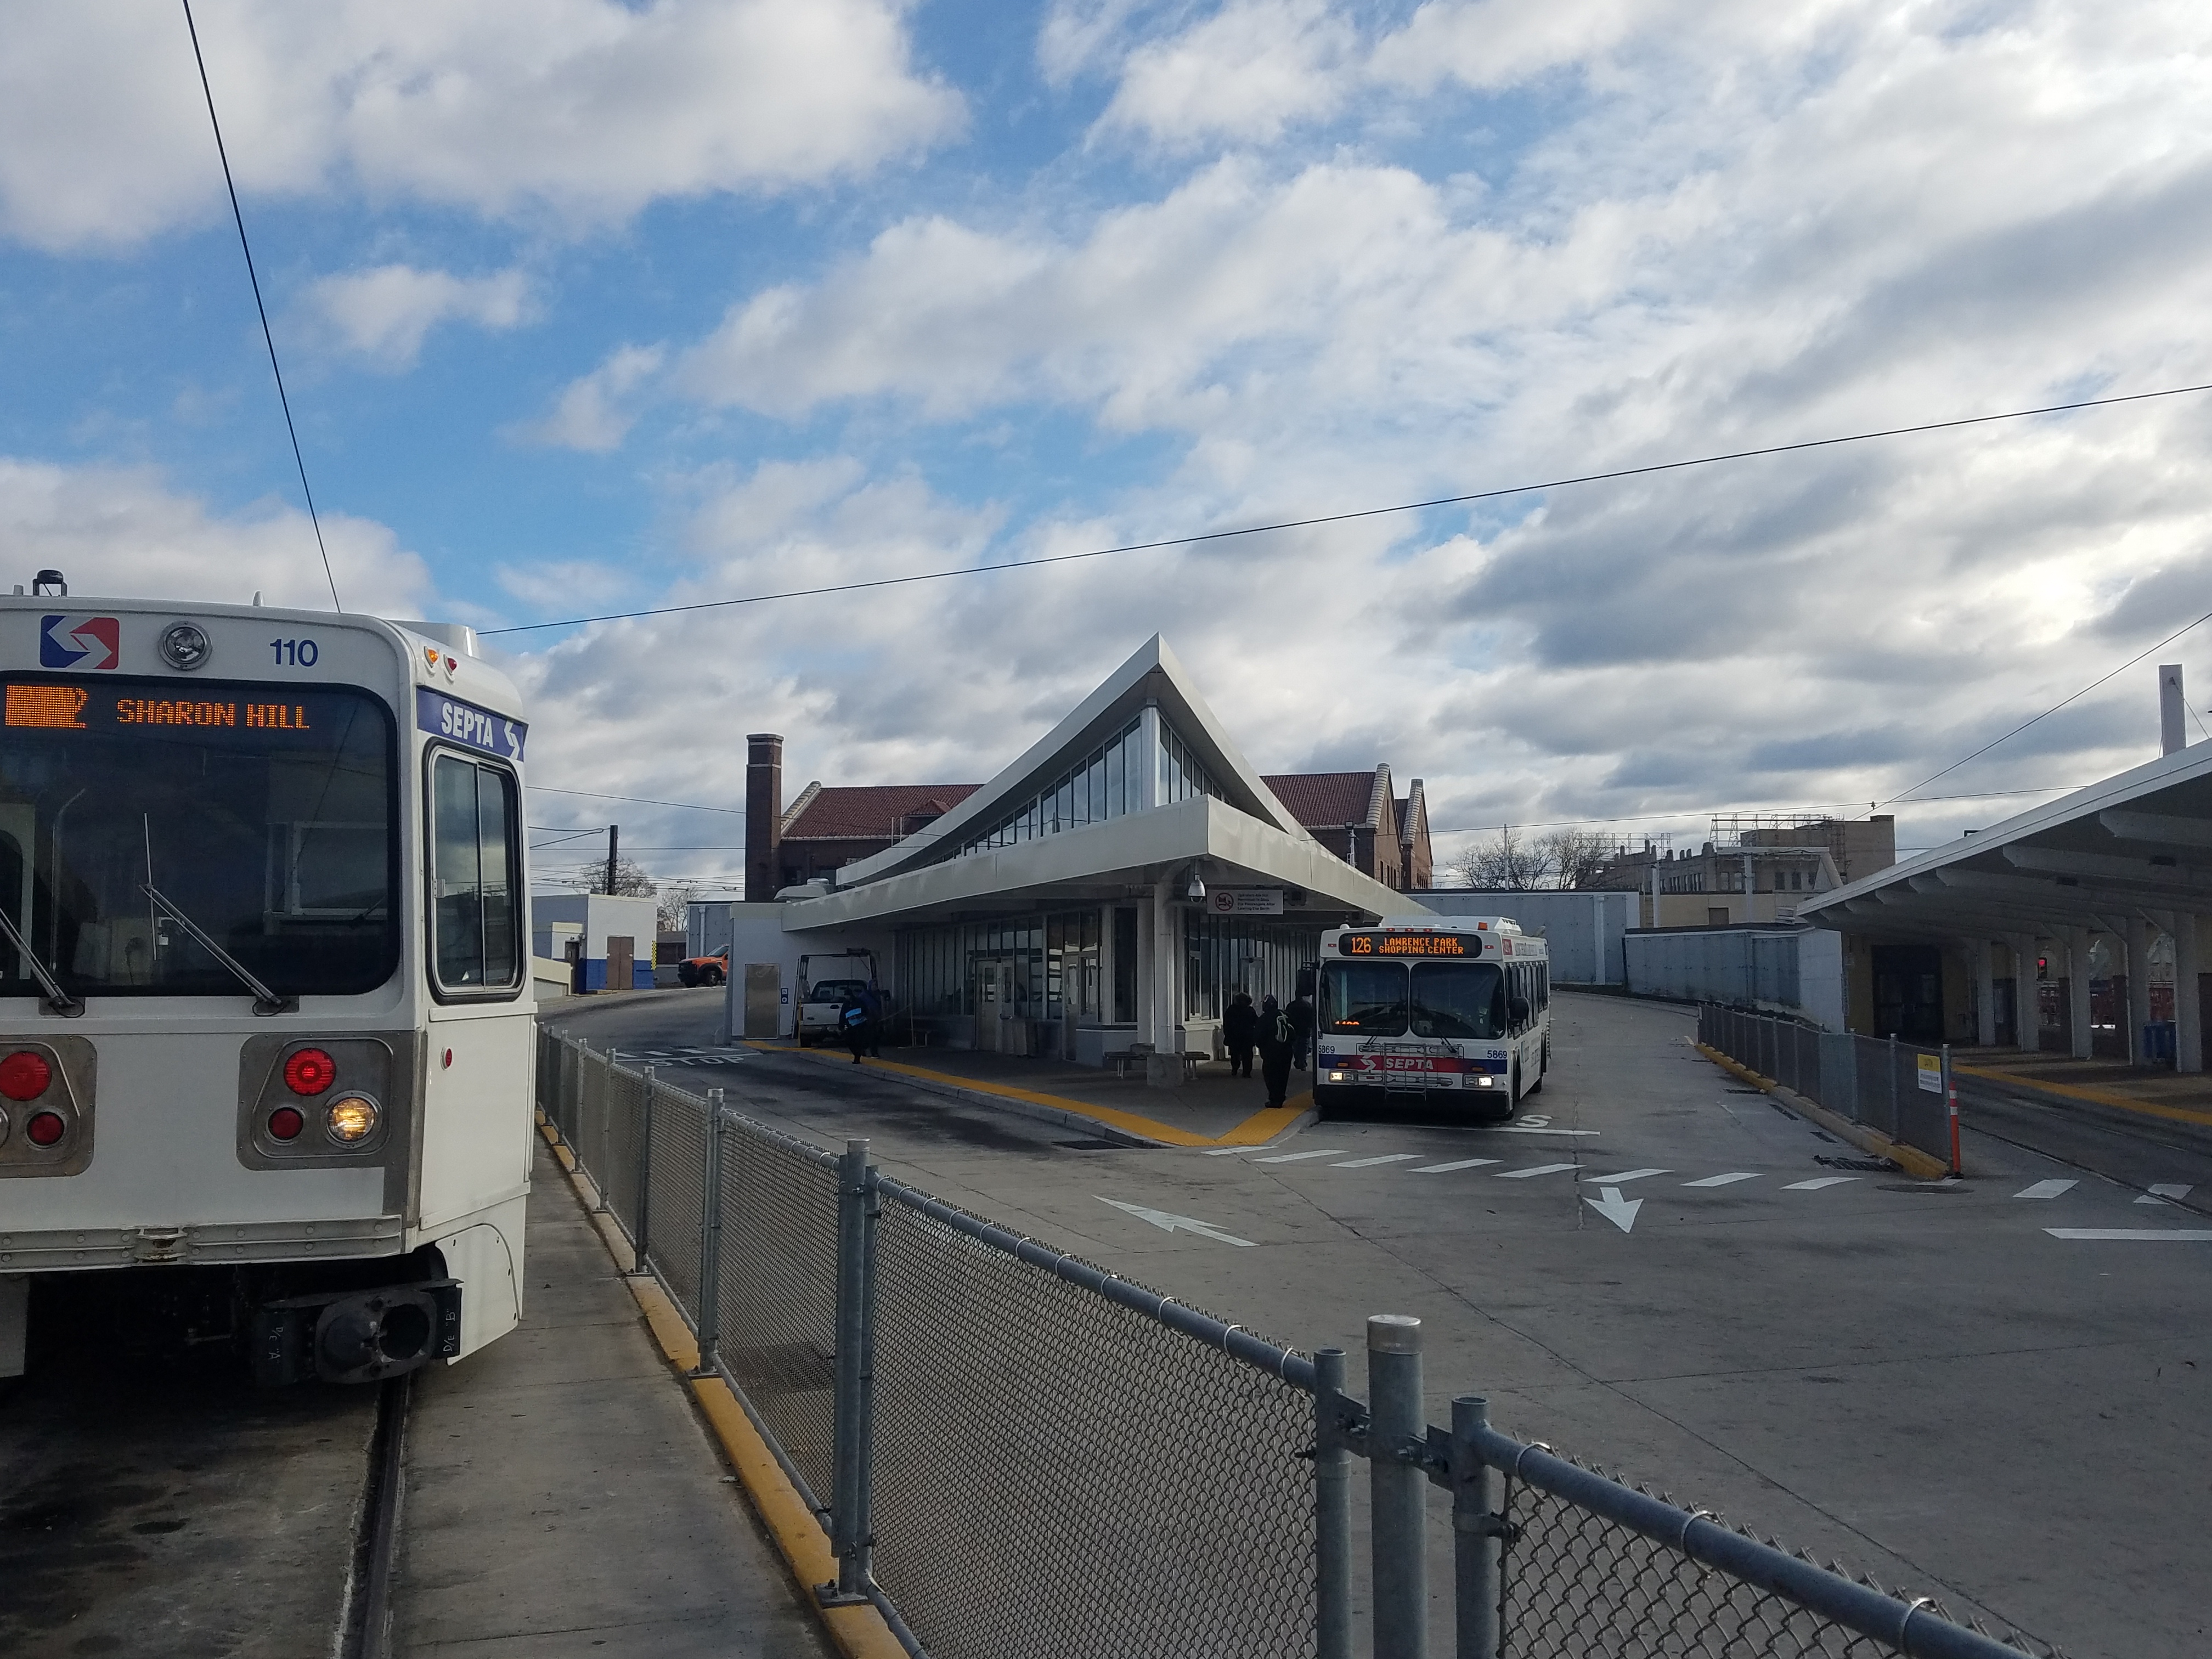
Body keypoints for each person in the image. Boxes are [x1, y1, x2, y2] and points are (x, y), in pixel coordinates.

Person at [1255, 993, 1295, 1108]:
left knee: (1271, 1075)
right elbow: (1295, 1030)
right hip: (1287, 1050)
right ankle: (1281, 1096)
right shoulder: (1286, 1015)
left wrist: (1262, 1047)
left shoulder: (1264, 1019)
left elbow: (1259, 1037)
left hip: (1271, 1052)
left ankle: (1274, 1098)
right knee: (1283, 1074)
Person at [1222, 991, 1257, 1078]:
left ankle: (1235, 1068)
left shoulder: (1231, 1010)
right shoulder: (1250, 1011)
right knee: (1248, 1056)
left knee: (1235, 1054)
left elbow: (1227, 1024)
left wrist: (1228, 1035)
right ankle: (1247, 1072)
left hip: (1235, 1037)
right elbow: (1256, 1022)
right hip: (1247, 1037)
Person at [1287, 989, 1315, 1073]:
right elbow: (1312, 1018)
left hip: (1294, 1030)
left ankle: (1298, 1061)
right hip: (1305, 1031)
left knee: (1296, 1048)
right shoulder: (1308, 1005)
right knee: (1303, 1048)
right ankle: (1302, 1063)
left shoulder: (1291, 1006)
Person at [839, 989, 868, 1064]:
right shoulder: (846, 1004)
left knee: (858, 1041)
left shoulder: (858, 1002)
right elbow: (843, 1014)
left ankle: (857, 1057)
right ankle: (858, 1053)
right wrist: (841, 1025)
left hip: (860, 1025)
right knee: (849, 1041)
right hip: (850, 1025)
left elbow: (865, 1011)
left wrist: (860, 1016)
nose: (846, 997)